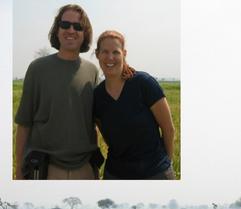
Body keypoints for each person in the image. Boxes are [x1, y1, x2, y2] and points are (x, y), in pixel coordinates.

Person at [14, 4, 100, 180]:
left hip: (84, 169)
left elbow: (92, 125)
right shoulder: (37, 69)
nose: (71, 30)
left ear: (85, 34)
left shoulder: (92, 71)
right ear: (57, 29)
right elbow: (24, 124)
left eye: (78, 26)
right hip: (45, 168)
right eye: (65, 24)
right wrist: (18, 169)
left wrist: (94, 170)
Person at [93, 30, 176, 179]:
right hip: (115, 175)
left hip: (155, 173)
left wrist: (167, 164)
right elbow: (107, 137)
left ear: (124, 54)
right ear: (97, 54)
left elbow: (168, 129)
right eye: (105, 52)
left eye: (116, 52)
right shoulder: (97, 96)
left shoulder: (143, 83)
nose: (110, 57)